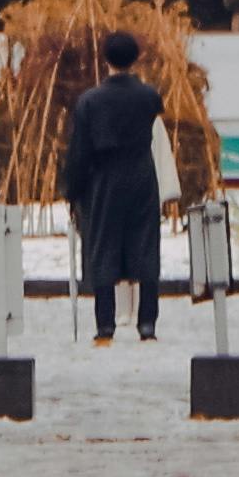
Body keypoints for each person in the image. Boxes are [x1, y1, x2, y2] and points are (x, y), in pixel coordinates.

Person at [64, 31, 168, 346]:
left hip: (104, 178)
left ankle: (105, 325)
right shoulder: (149, 97)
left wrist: (72, 189)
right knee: (146, 244)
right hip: (141, 174)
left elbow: (80, 150)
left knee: (103, 245)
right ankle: (147, 323)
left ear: (106, 59)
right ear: (135, 57)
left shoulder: (90, 101)